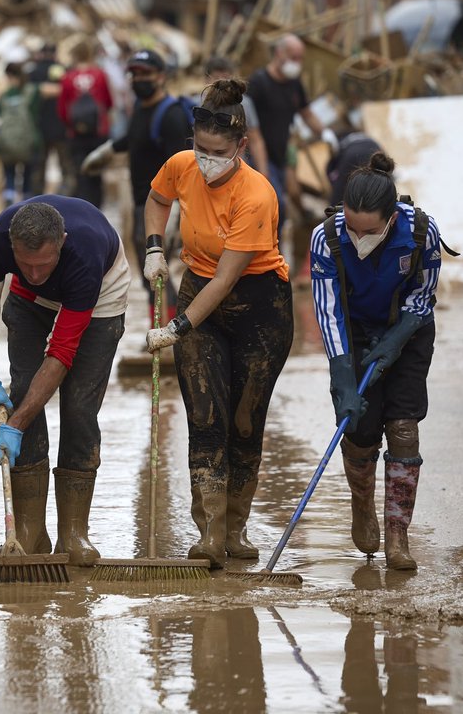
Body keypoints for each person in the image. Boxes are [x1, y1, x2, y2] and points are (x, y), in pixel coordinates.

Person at [143, 79, 293, 569]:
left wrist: (176, 328)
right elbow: (157, 200)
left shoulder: (257, 195)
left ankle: (236, 527)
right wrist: (153, 247)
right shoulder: (182, 166)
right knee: (205, 417)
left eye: (217, 152)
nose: (205, 159)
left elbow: (228, 278)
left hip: (258, 307)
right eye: (199, 148)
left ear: (241, 147)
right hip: (197, 287)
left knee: (244, 421)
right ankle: (209, 531)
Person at [0, 196, 129, 567]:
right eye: (26, 263)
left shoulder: (84, 254)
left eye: (44, 263)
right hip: (28, 302)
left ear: (62, 242)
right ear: (12, 246)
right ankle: (30, 531)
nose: (36, 272)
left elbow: (62, 352)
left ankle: (73, 533)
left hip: (100, 297)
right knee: (22, 389)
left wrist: (17, 424)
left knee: (79, 409)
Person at [309, 153, 444, 570]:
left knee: (403, 428)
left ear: (390, 219)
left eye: (368, 230)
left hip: (408, 330)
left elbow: (424, 295)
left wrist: (398, 338)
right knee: (361, 430)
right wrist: (342, 377)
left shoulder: (421, 232)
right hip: (353, 333)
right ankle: (362, 504)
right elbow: (328, 311)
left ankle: (399, 535)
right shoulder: (325, 239)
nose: (357, 237)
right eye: (351, 227)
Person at [82, 48, 188, 321]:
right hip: (141, 200)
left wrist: (176, 208)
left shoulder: (171, 116)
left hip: (163, 206)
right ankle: (164, 323)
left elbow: (184, 167)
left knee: (158, 270)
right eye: (134, 74)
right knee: (147, 270)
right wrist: (107, 153)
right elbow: (131, 138)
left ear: (161, 77)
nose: (138, 79)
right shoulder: (141, 109)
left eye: (145, 74)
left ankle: (173, 327)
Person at [246, 34, 332, 227]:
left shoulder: (294, 84)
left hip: (283, 151)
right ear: (278, 53)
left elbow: (307, 113)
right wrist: (262, 168)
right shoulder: (259, 83)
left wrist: (325, 133)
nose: (297, 63)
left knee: (294, 193)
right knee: (276, 205)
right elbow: (251, 130)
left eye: (300, 58)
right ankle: (270, 249)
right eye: (293, 57)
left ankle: (300, 227)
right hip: (259, 154)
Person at [58, 39, 113, 209]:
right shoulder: (100, 75)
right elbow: (108, 102)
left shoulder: (68, 78)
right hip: (98, 131)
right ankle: (97, 207)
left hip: (76, 133)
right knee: (96, 172)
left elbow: (62, 108)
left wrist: (72, 125)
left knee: (80, 171)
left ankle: (82, 206)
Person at [26, 43, 71, 197]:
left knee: (38, 170)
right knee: (66, 169)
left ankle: (36, 201)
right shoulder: (65, 71)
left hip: (40, 128)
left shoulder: (33, 73)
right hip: (62, 127)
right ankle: (66, 199)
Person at [0, 62, 41, 206]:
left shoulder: (4, 96)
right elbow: (36, 114)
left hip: (7, 143)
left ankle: (9, 206)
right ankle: (27, 206)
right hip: (28, 142)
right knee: (27, 175)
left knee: (9, 174)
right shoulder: (32, 92)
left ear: (8, 76)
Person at [327, 129, 383, 206]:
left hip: (352, 156)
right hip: (375, 149)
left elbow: (337, 182)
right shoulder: (363, 136)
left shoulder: (340, 143)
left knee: (339, 196)